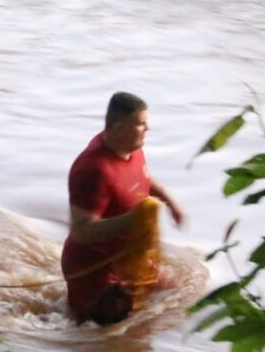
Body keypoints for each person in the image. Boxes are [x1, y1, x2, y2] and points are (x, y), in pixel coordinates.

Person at [62, 92, 184, 325]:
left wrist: (170, 202)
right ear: (119, 129)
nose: (147, 128)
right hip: (93, 267)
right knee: (112, 327)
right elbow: (81, 231)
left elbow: (142, 178)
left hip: (128, 257)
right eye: (141, 124)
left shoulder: (134, 149)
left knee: (172, 289)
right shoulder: (93, 170)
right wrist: (135, 219)